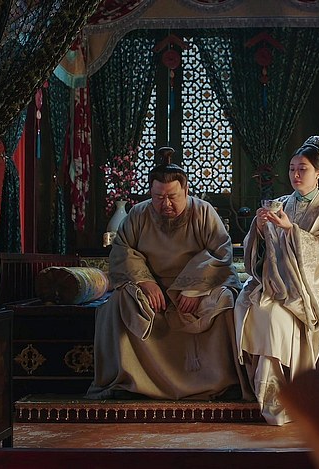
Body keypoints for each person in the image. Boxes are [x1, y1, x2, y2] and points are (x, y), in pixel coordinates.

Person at [86, 147, 252, 401]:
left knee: (226, 302)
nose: (166, 204)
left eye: (173, 196)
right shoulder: (139, 213)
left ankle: (216, 382)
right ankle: (135, 382)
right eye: (158, 197)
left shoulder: (204, 211)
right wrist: (144, 281)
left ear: (186, 191)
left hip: (199, 287)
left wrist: (194, 289)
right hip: (153, 288)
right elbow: (122, 250)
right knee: (118, 303)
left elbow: (220, 252)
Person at [234, 135, 319, 425]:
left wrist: (291, 231)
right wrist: (259, 229)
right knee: (247, 305)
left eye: (303, 169)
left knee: (273, 318)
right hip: (274, 283)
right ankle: (264, 392)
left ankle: (283, 398)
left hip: (307, 293)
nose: (296, 175)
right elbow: (259, 253)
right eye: (292, 169)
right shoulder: (281, 204)